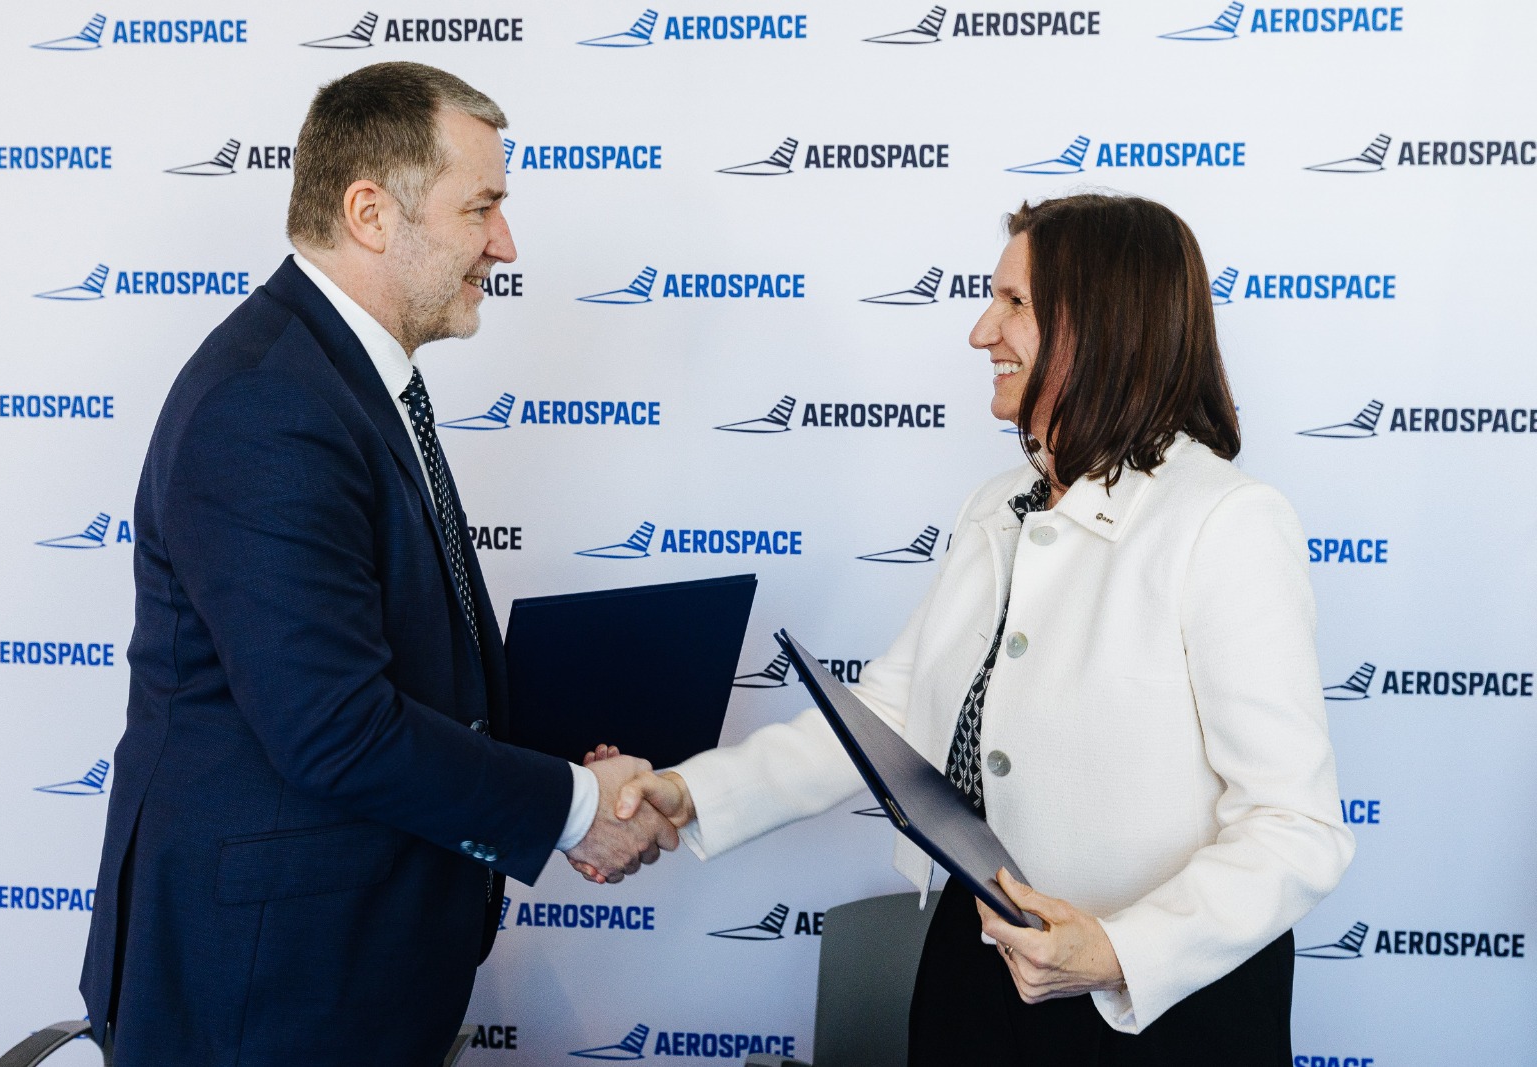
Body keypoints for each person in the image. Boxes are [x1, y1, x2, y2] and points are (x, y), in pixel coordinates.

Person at [609, 194, 1356, 1063]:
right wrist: (689, 792)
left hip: (1160, 1004)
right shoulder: (996, 507)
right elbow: (885, 722)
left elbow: (1295, 827)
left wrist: (1115, 951)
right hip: (977, 970)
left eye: (1014, 303)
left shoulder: (1226, 521)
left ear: (1105, 322)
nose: (980, 332)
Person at [79, 62, 675, 1067]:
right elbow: (334, 726)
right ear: (369, 213)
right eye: (480, 207)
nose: (504, 243)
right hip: (263, 994)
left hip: (346, 971)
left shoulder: (339, 378)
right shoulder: (267, 403)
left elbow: (402, 663)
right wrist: (574, 807)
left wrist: (567, 764)